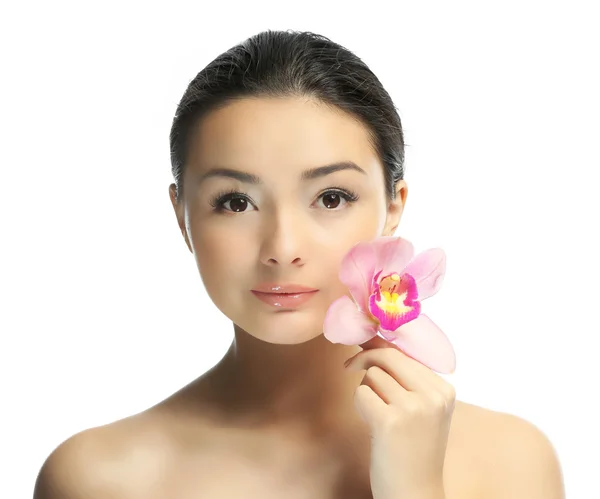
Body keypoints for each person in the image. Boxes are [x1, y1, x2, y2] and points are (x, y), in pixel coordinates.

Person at [33, 29, 565, 499]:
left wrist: (416, 490)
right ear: (182, 217)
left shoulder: (513, 464)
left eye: (331, 197)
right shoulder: (97, 479)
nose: (283, 246)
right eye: (235, 202)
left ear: (393, 206)